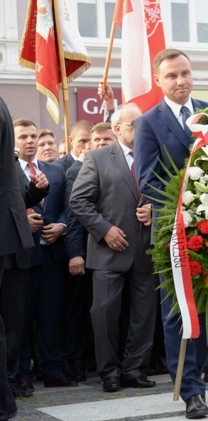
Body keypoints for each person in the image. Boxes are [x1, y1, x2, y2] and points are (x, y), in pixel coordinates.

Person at [133, 48, 208, 419]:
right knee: (178, 312)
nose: (180, 81)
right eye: (171, 76)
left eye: (185, 73)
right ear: (159, 81)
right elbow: (146, 179)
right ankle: (190, 389)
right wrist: (193, 191)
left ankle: (202, 372)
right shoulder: (149, 122)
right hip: (173, 232)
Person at [70, 104, 158, 393]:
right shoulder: (97, 157)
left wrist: (154, 212)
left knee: (144, 315)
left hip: (146, 249)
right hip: (109, 250)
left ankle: (135, 368)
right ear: (117, 128)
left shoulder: (154, 157)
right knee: (105, 314)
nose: (141, 128)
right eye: (135, 123)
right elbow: (79, 202)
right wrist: (104, 229)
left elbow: (171, 196)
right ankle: (109, 371)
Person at [13, 119, 75, 390]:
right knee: (22, 318)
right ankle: (22, 373)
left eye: (33, 136)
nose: (30, 141)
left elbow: (67, 206)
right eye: (23, 136)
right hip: (21, 256)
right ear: (12, 142)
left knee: (51, 315)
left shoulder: (57, 171)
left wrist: (61, 226)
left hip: (52, 253)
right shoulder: (8, 172)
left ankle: (51, 369)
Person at [0, 97, 44, 419]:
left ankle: (9, 385)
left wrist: (38, 192)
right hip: (9, 241)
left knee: (13, 324)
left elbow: (15, 196)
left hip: (15, 247)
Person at [64, 122, 117, 382]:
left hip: (113, 251)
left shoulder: (120, 165)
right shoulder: (77, 170)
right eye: (95, 139)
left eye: (107, 139)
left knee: (107, 311)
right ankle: (79, 362)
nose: (100, 143)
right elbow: (74, 217)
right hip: (87, 249)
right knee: (82, 310)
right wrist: (76, 253)